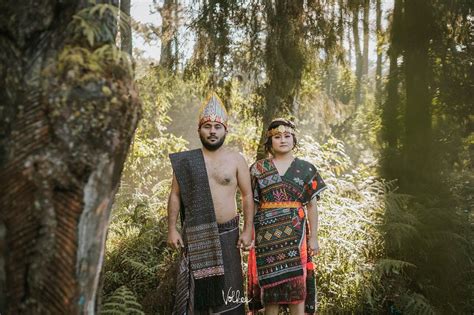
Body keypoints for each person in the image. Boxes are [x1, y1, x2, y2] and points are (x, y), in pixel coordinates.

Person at [167, 92, 254, 314]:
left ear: (226, 130)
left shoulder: (236, 159)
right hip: (197, 236)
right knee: (197, 298)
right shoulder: (187, 162)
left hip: (229, 235)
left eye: (217, 126)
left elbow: (246, 196)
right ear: (199, 130)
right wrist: (172, 230)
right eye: (208, 126)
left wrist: (247, 230)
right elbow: (175, 195)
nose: (212, 131)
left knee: (230, 293)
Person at [247, 118, 327, 315]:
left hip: (297, 235)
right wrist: (249, 232)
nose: (282, 140)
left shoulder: (307, 168)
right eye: (277, 136)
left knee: (297, 288)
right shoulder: (258, 169)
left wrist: (314, 237)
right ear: (270, 141)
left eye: (287, 136)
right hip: (266, 237)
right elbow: (252, 205)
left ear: (294, 139)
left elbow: (312, 205)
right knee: (270, 290)